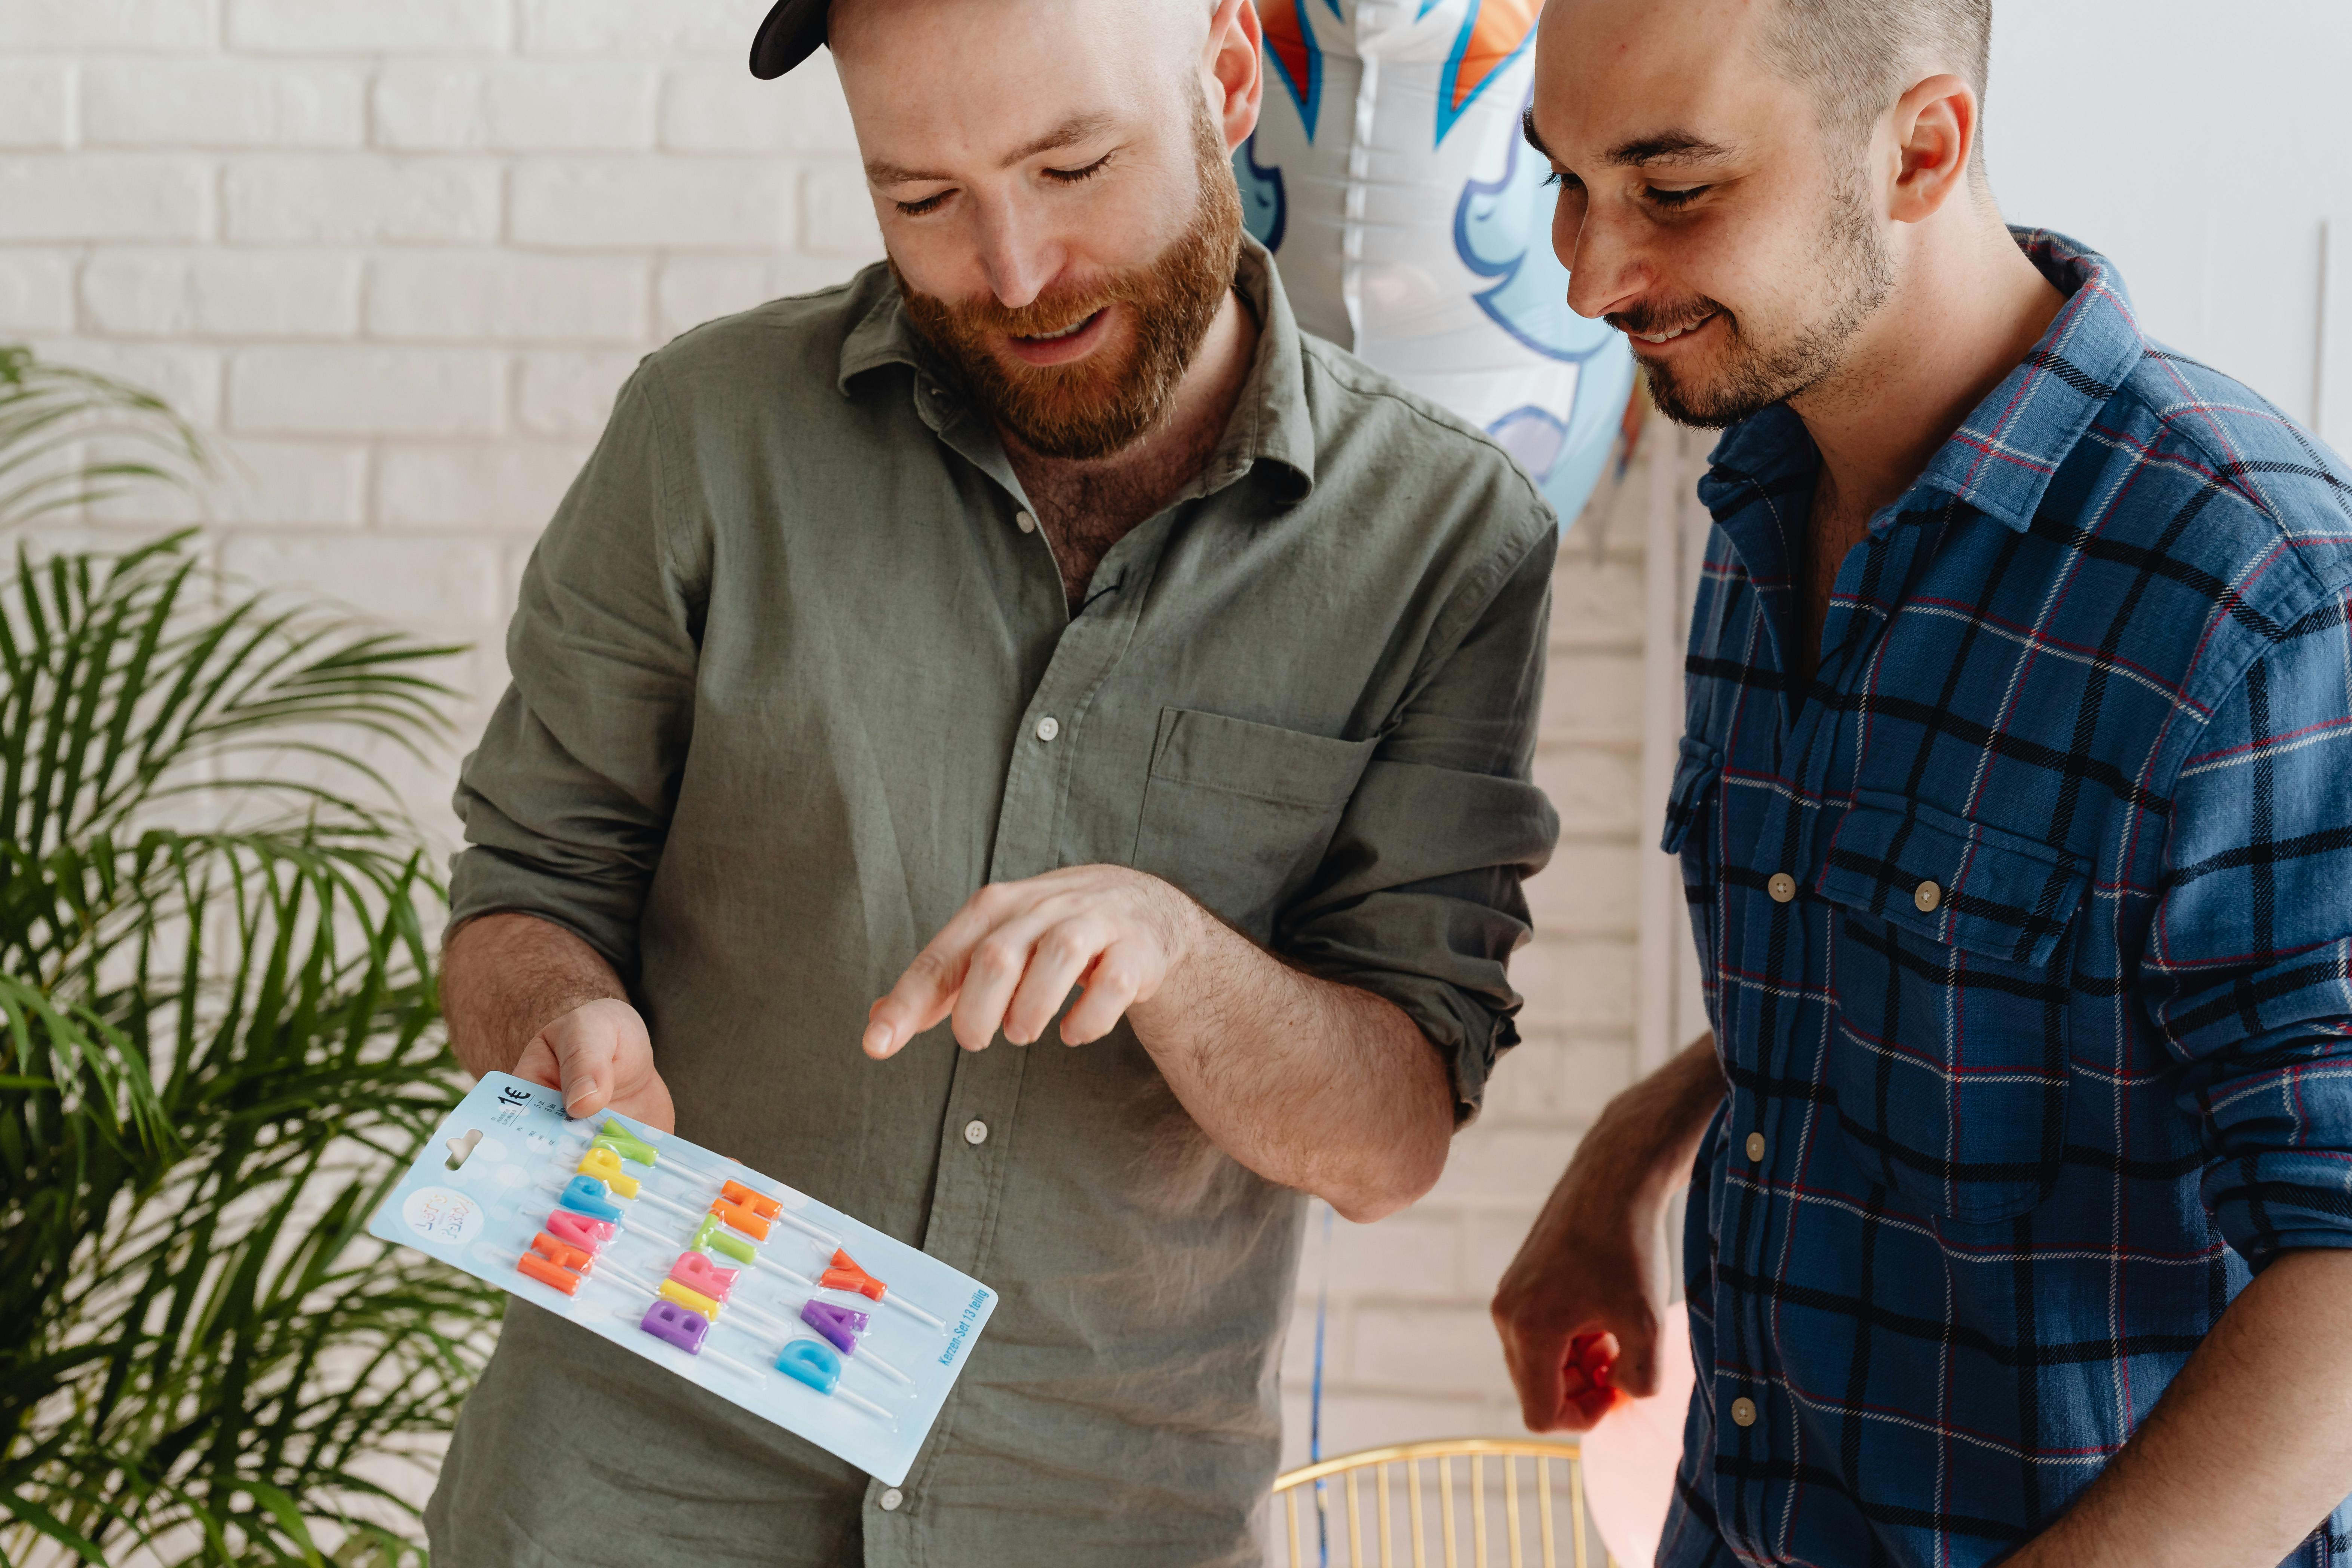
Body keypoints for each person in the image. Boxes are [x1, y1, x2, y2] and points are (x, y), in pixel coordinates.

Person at [424, 0, 1561, 1561]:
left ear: (1228, 78)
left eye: (1072, 166)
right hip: (620, 1498)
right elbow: (523, 895)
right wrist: (551, 1017)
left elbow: (1389, 1137)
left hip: (1105, 1519)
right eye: (923, 201)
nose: (1014, 273)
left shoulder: (1446, 541)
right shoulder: (702, 433)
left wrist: (1174, 951)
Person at [1492, 1, 2352, 1565]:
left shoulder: (2254, 593)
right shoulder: (1761, 494)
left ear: (1919, 146)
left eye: (1673, 189)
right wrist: (1633, 1137)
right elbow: (1935, 940)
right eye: (1565, 179)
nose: (1590, 274)